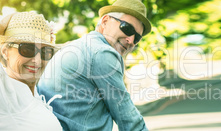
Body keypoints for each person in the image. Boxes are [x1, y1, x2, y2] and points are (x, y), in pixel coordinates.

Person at [37, 0, 151, 130]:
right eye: (127, 28)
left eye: (136, 38)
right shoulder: (102, 53)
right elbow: (127, 117)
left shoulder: (78, 46)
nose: (130, 40)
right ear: (105, 21)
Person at [0, 12, 62, 130]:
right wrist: (1, 27)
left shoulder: (33, 93)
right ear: (5, 52)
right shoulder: (1, 92)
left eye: (45, 52)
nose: (37, 61)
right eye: (27, 49)